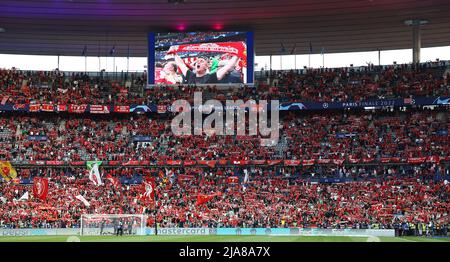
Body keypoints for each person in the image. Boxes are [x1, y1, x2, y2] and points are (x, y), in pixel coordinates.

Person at [172, 52, 239, 84]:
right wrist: (174, 53)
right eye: (197, 61)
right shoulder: (190, 75)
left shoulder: (211, 77)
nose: (198, 63)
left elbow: (228, 66)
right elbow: (181, 64)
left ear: (207, 66)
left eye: (201, 61)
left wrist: (237, 54)